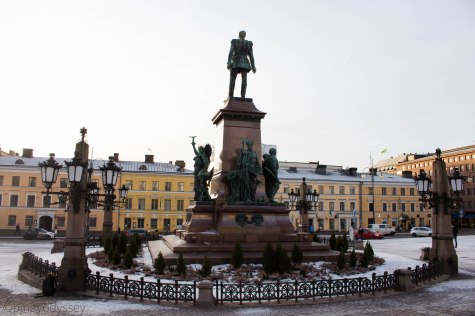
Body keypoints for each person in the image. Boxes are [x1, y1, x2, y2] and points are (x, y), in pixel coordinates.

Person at [227, 30, 256, 98]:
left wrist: (229, 62)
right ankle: (243, 97)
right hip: (244, 62)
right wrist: (253, 66)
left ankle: (231, 96)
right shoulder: (248, 44)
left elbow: (231, 52)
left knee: (232, 79)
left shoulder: (235, 42)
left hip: (236, 61)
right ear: (245, 35)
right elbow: (251, 56)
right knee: (244, 80)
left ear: (239, 35)